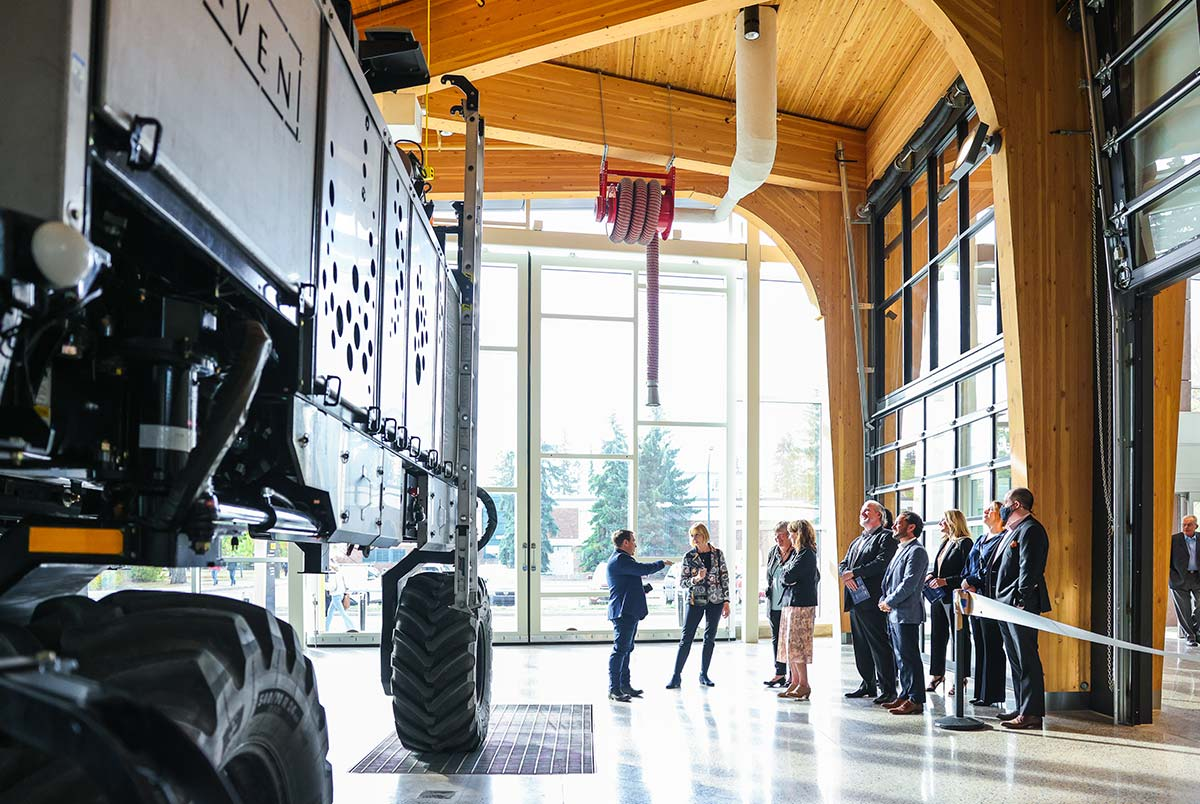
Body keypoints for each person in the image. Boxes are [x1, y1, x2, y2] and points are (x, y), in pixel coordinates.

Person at [993, 487, 1051, 730]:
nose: (1002, 507)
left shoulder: (1031, 530)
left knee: (1027, 658)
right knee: (1015, 658)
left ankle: (1032, 713)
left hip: (1019, 605)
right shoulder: (1013, 531)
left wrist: (1020, 600)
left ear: (1016, 505)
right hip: (1004, 604)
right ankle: (1021, 705)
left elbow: (1030, 570)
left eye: (1006, 502)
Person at [838, 500, 898, 703]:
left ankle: (888, 688)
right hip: (856, 601)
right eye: (862, 510)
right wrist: (845, 573)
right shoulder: (857, 540)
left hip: (872, 600)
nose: (863, 513)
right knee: (861, 645)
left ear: (879, 515)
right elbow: (843, 563)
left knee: (879, 644)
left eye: (868, 510)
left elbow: (881, 563)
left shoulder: (886, 537)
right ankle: (868, 684)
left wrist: (854, 573)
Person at [607, 529, 673, 702]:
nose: (635, 544)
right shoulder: (620, 559)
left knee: (626, 650)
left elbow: (625, 585)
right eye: (633, 540)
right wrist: (661, 563)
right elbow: (643, 569)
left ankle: (624, 686)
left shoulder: (622, 560)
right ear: (625, 543)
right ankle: (614, 689)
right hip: (623, 612)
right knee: (620, 650)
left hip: (629, 611)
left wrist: (642, 590)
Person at [878, 511, 930, 715]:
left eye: (899, 523)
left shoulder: (917, 551)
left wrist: (889, 601)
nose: (893, 526)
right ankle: (905, 694)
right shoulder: (901, 549)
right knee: (900, 657)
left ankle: (915, 699)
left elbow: (909, 583)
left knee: (909, 657)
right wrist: (884, 600)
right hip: (894, 612)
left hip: (906, 613)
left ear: (911, 527)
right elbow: (890, 579)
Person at [667, 524, 730, 688]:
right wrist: (696, 579)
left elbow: (724, 578)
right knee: (686, 637)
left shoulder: (717, 554)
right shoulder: (689, 556)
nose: (694, 539)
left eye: (697, 535)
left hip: (716, 600)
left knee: (709, 639)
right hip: (696, 600)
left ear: (705, 535)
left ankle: (704, 674)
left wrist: (727, 601)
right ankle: (676, 676)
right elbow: (683, 582)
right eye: (692, 535)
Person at [961, 501, 1009, 707]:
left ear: (1000, 515)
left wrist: (972, 581)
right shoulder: (980, 539)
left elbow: (994, 568)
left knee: (992, 646)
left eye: (991, 509)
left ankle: (992, 694)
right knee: (979, 644)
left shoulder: (1003, 539)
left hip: (991, 599)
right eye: (985, 508)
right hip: (975, 599)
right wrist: (965, 581)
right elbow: (969, 565)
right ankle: (980, 691)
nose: (986, 511)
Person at [925, 509, 974, 695]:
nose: (940, 525)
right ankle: (937, 674)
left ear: (953, 522)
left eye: (943, 521)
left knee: (959, 638)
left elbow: (966, 573)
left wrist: (945, 581)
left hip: (954, 596)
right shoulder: (946, 542)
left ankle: (961, 677)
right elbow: (940, 568)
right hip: (939, 597)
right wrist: (932, 575)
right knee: (938, 635)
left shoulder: (965, 543)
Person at [776, 520, 820, 701]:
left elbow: (787, 576)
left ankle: (804, 684)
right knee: (788, 645)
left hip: (801, 605)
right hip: (791, 603)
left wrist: (786, 574)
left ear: (799, 534)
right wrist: (786, 574)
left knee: (798, 645)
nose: (789, 536)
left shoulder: (807, 554)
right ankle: (794, 681)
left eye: (791, 533)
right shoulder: (797, 554)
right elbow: (784, 575)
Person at [763, 521, 793, 687]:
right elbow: (770, 574)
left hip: (790, 603)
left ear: (789, 535)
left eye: (781, 536)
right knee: (777, 640)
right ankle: (779, 673)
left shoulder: (797, 552)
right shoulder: (773, 552)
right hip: (774, 602)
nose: (778, 540)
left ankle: (793, 676)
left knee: (790, 640)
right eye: (776, 536)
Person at [1168, 515, 1200, 647]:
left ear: (1196, 526)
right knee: (1184, 609)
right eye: (1184, 525)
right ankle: (1190, 636)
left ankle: (1196, 629)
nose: (1186, 527)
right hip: (1179, 579)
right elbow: (1166, 559)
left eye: (1189, 525)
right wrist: (1171, 575)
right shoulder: (1174, 540)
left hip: (1197, 577)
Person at [325, 563, 354, 632]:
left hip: (336, 595)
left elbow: (332, 586)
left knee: (342, 613)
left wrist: (325, 585)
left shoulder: (332, 575)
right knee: (330, 612)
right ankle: (326, 629)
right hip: (340, 594)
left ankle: (351, 627)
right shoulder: (339, 573)